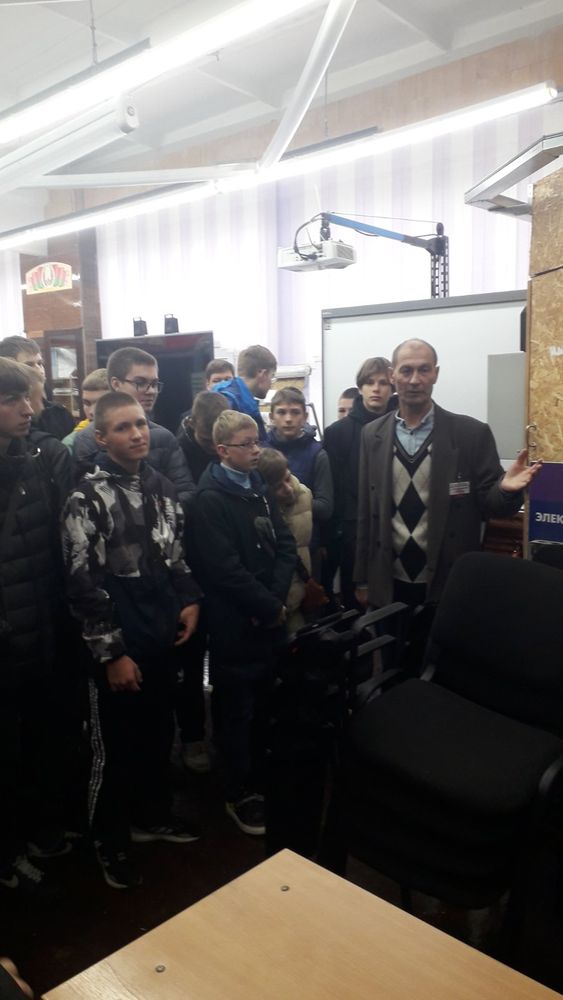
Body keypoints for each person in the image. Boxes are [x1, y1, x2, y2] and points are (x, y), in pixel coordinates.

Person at [62, 392, 202, 890]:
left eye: (140, 424)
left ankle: (151, 816)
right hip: (118, 640)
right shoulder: (85, 499)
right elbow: (82, 583)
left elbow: (175, 554)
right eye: (122, 428)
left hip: (160, 631)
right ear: (101, 437)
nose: (137, 434)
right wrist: (112, 653)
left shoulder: (162, 487)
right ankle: (109, 839)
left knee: (157, 734)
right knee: (114, 749)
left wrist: (189, 599)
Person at [354, 338, 542, 627]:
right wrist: (362, 579)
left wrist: (505, 490)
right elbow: (366, 512)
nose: (414, 380)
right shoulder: (372, 434)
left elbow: (491, 505)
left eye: (424, 370)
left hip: (447, 580)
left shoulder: (471, 434)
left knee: (440, 653)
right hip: (389, 580)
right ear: (393, 375)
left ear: (436, 374)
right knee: (391, 651)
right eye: (406, 370)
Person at [191, 411, 296, 836]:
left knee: (267, 702)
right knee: (237, 711)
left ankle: (261, 776)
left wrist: (273, 601)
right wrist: (264, 604)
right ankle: (238, 791)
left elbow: (285, 544)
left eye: (257, 441)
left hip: (267, 616)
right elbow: (223, 569)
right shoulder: (208, 500)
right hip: (234, 623)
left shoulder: (258, 487)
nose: (256, 450)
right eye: (246, 444)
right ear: (223, 450)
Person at [0, 359, 74, 901]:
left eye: (28, 398)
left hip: (37, 630)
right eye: (13, 401)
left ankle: (30, 832)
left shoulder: (31, 461)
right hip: (7, 638)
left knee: (32, 743)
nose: (29, 409)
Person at [175, 390, 228, 774]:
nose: (214, 448)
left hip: (224, 572)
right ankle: (193, 736)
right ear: (193, 424)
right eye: (208, 441)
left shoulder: (229, 445)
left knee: (227, 656)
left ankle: (225, 732)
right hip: (189, 570)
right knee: (190, 663)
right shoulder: (175, 453)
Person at [73, 347, 195, 505]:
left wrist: (160, 514)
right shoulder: (87, 439)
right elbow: (86, 498)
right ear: (116, 384)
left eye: (154, 383)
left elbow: (186, 492)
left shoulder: (164, 438)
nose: (151, 391)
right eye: (140, 383)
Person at [323, 358, 395, 608]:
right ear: (360, 387)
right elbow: (334, 489)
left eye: (383, 383)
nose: (376, 388)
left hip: (395, 528)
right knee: (354, 608)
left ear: (392, 388)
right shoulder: (337, 433)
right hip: (352, 535)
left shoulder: (403, 427)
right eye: (369, 382)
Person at [266, 387, 333, 543]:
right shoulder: (260, 451)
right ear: (271, 417)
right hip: (269, 542)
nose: (288, 419)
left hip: (306, 542)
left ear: (305, 417)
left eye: (295, 412)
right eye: (281, 412)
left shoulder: (318, 454)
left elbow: (325, 507)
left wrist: (288, 497)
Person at [257, 448, 313, 634]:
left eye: (288, 479)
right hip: (278, 594)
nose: (288, 488)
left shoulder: (304, 494)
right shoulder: (261, 511)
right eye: (278, 487)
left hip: (304, 585)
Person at [0, 335, 75, 440]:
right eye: (29, 365)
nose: (39, 370)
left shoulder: (60, 413)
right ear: (11, 369)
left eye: (40, 363)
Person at [212, 344, 277, 442]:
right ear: (263, 374)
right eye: (271, 376)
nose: (271, 384)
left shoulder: (223, 394)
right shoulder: (232, 402)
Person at [62, 368, 109, 452]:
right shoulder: (71, 444)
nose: (92, 412)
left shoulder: (131, 435)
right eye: (87, 403)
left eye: (100, 404)